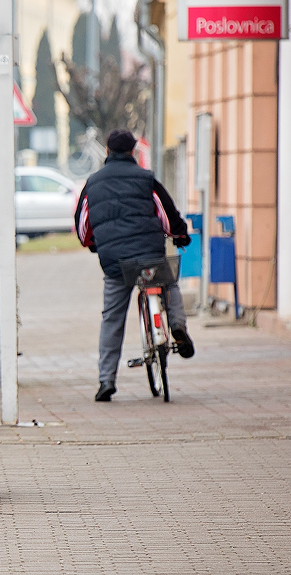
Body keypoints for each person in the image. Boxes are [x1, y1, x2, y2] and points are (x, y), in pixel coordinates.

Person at [74, 129, 195, 403]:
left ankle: (106, 380)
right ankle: (177, 325)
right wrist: (180, 234)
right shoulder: (146, 179)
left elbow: (83, 226)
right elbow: (167, 215)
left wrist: (93, 244)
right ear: (132, 152)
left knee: (112, 318)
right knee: (169, 283)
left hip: (116, 263)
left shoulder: (92, 183)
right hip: (150, 256)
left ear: (107, 151)